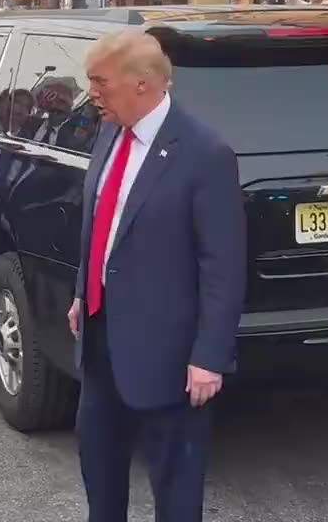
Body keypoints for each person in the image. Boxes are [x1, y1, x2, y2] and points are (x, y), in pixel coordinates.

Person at [66, 30, 246, 522]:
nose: (92, 93)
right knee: (100, 476)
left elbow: (222, 264)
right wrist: (85, 291)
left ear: (142, 84)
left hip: (171, 357)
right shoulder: (110, 131)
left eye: (100, 82)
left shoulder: (204, 153)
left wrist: (209, 356)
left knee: (176, 491)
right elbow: (103, 224)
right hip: (102, 341)